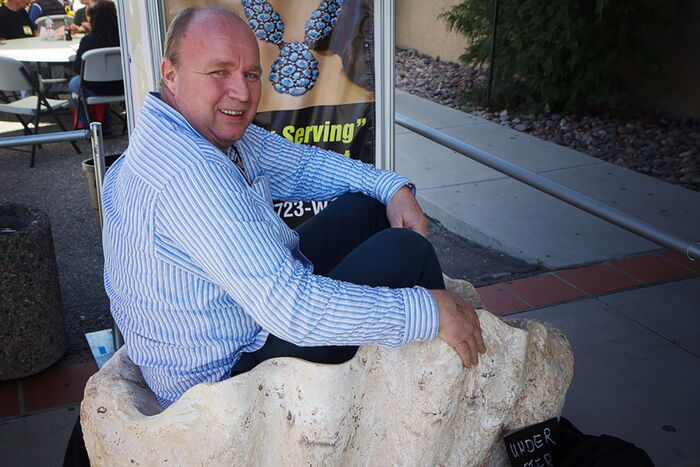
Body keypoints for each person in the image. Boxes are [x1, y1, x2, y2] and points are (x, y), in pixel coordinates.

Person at [101, 6, 485, 410]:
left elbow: (303, 167)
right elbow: (292, 309)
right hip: (223, 385)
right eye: (219, 72)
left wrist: (391, 188)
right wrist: (428, 311)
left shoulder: (197, 130)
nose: (243, 92)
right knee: (408, 253)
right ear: (171, 74)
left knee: (368, 208)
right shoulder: (188, 172)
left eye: (251, 74)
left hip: (242, 316)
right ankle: (437, 398)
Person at [67, 0, 122, 133]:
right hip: (123, 86)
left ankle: (87, 125)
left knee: (75, 84)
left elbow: (77, 69)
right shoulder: (123, 37)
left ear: (92, 18)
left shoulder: (89, 41)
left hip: (96, 88)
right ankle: (105, 124)